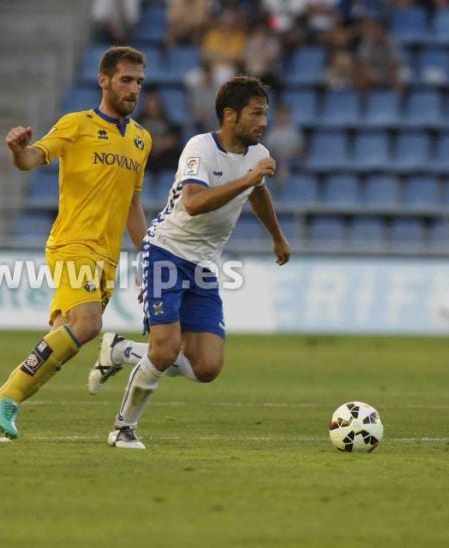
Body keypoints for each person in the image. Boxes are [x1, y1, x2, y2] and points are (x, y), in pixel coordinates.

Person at [88, 76, 291, 449]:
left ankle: (119, 350)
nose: (264, 121)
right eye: (257, 113)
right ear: (230, 116)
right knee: (165, 350)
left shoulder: (257, 156)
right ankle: (123, 428)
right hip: (166, 250)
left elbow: (258, 194)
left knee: (207, 368)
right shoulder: (200, 148)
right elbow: (194, 203)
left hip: (203, 265)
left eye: (265, 113)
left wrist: (276, 236)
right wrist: (249, 178)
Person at [0, 46, 152, 442]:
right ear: (104, 80)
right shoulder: (76, 124)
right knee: (88, 324)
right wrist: (17, 150)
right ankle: (7, 402)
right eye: (126, 80)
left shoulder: (140, 140)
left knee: (65, 338)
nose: (134, 89)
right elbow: (32, 159)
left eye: (139, 82)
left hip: (107, 255)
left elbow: (133, 205)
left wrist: (149, 259)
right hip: (73, 243)